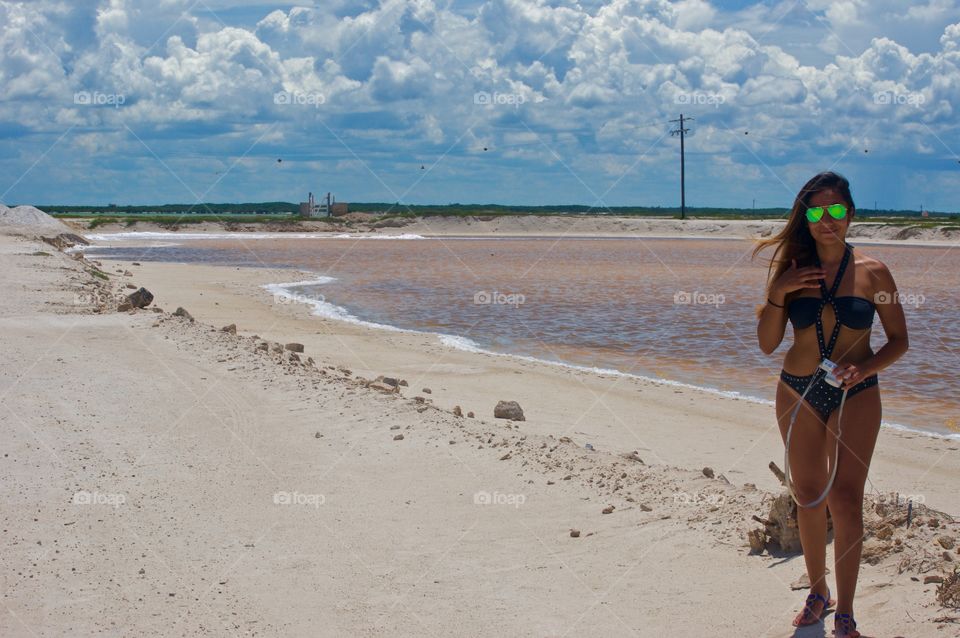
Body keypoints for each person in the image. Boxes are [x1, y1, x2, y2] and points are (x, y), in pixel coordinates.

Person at [753, 171, 909, 637]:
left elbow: (899, 340)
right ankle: (817, 592)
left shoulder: (875, 272)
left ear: (850, 213)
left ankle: (846, 612)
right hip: (797, 390)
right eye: (817, 211)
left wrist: (867, 368)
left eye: (836, 210)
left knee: (845, 498)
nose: (827, 220)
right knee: (807, 495)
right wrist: (779, 294)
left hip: (856, 390)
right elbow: (766, 344)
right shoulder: (791, 270)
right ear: (807, 216)